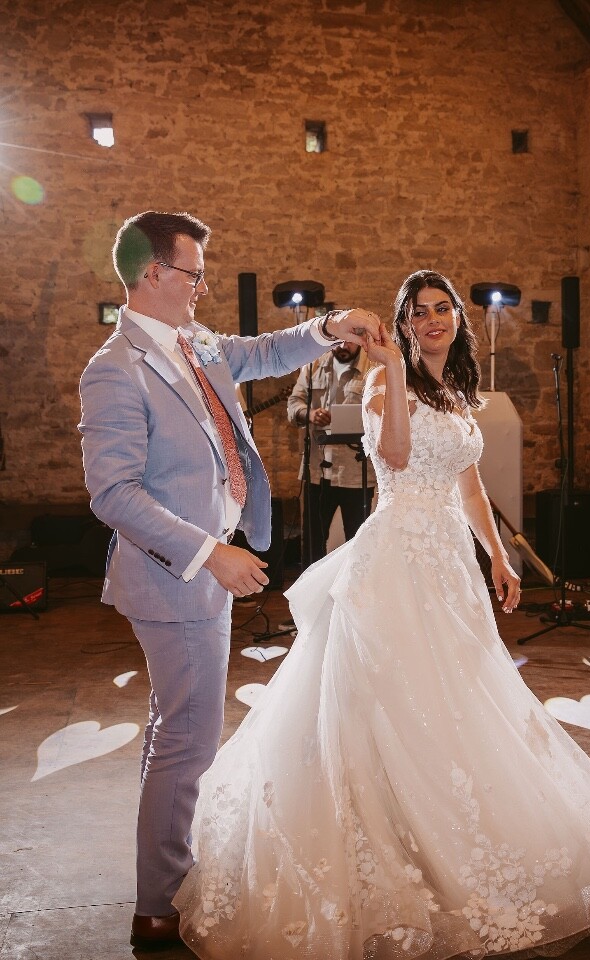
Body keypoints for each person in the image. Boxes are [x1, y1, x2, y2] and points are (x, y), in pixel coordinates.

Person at [173, 268, 590, 959]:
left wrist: (498, 555)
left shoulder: (456, 393)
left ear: (457, 317)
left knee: (461, 696)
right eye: (418, 312)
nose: (432, 320)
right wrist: (395, 372)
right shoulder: (380, 383)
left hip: (450, 563)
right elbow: (397, 456)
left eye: (441, 309)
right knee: (392, 699)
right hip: (397, 559)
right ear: (402, 326)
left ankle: (460, 828)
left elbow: (469, 487)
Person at [77, 210, 381, 950]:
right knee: (187, 737)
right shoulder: (115, 369)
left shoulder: (197, 343)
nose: (203, 287)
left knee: (177, 729)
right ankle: (158, 903)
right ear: (154, 274)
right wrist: (210, 552)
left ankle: (166, 877)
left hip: (200, 576)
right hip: (174, 577)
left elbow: (264, 351)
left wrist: (331, 326)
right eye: (194, 274)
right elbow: (113, 493)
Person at [288, 340, 376, 562]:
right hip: (317, 470)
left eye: (349, 342)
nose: (343, 346)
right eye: (338, 341)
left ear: (360, 338)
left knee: (357, 542)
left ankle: (351, 584)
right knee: (312, 542)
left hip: (355, 473)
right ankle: (310, 584)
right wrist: (309, 414)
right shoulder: (313, 365)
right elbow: (294, 402)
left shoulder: (373, 368)